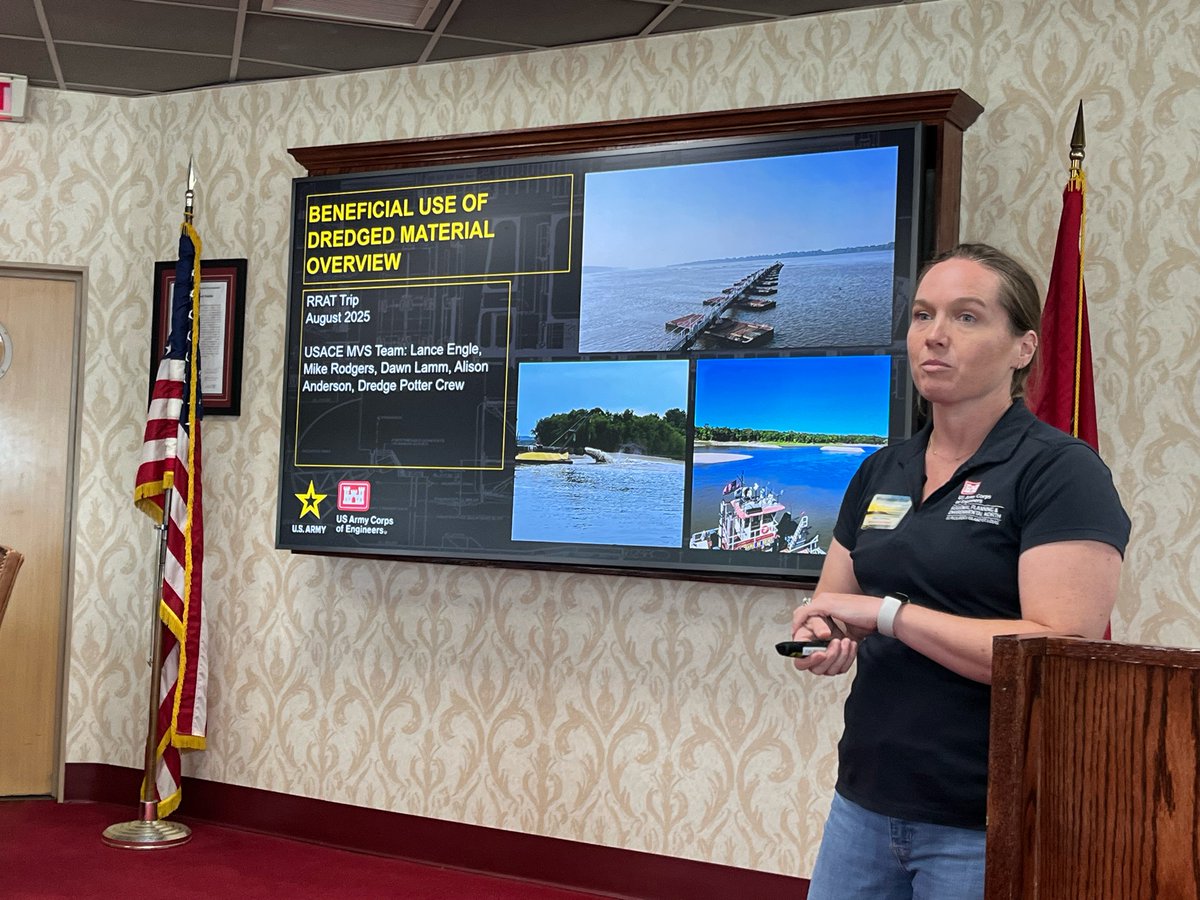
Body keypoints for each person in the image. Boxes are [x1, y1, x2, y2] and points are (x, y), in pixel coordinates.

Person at [791, 243, 1130, 899]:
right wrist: (822, 636)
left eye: (967, 317)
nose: (934, 336)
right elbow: (835, 604)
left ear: (1023, 348)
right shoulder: (881, 469)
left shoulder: (1060, 472)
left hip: (988, 816)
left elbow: (1059, 649)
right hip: (866, 799)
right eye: (922, 315)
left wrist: (889, 616)